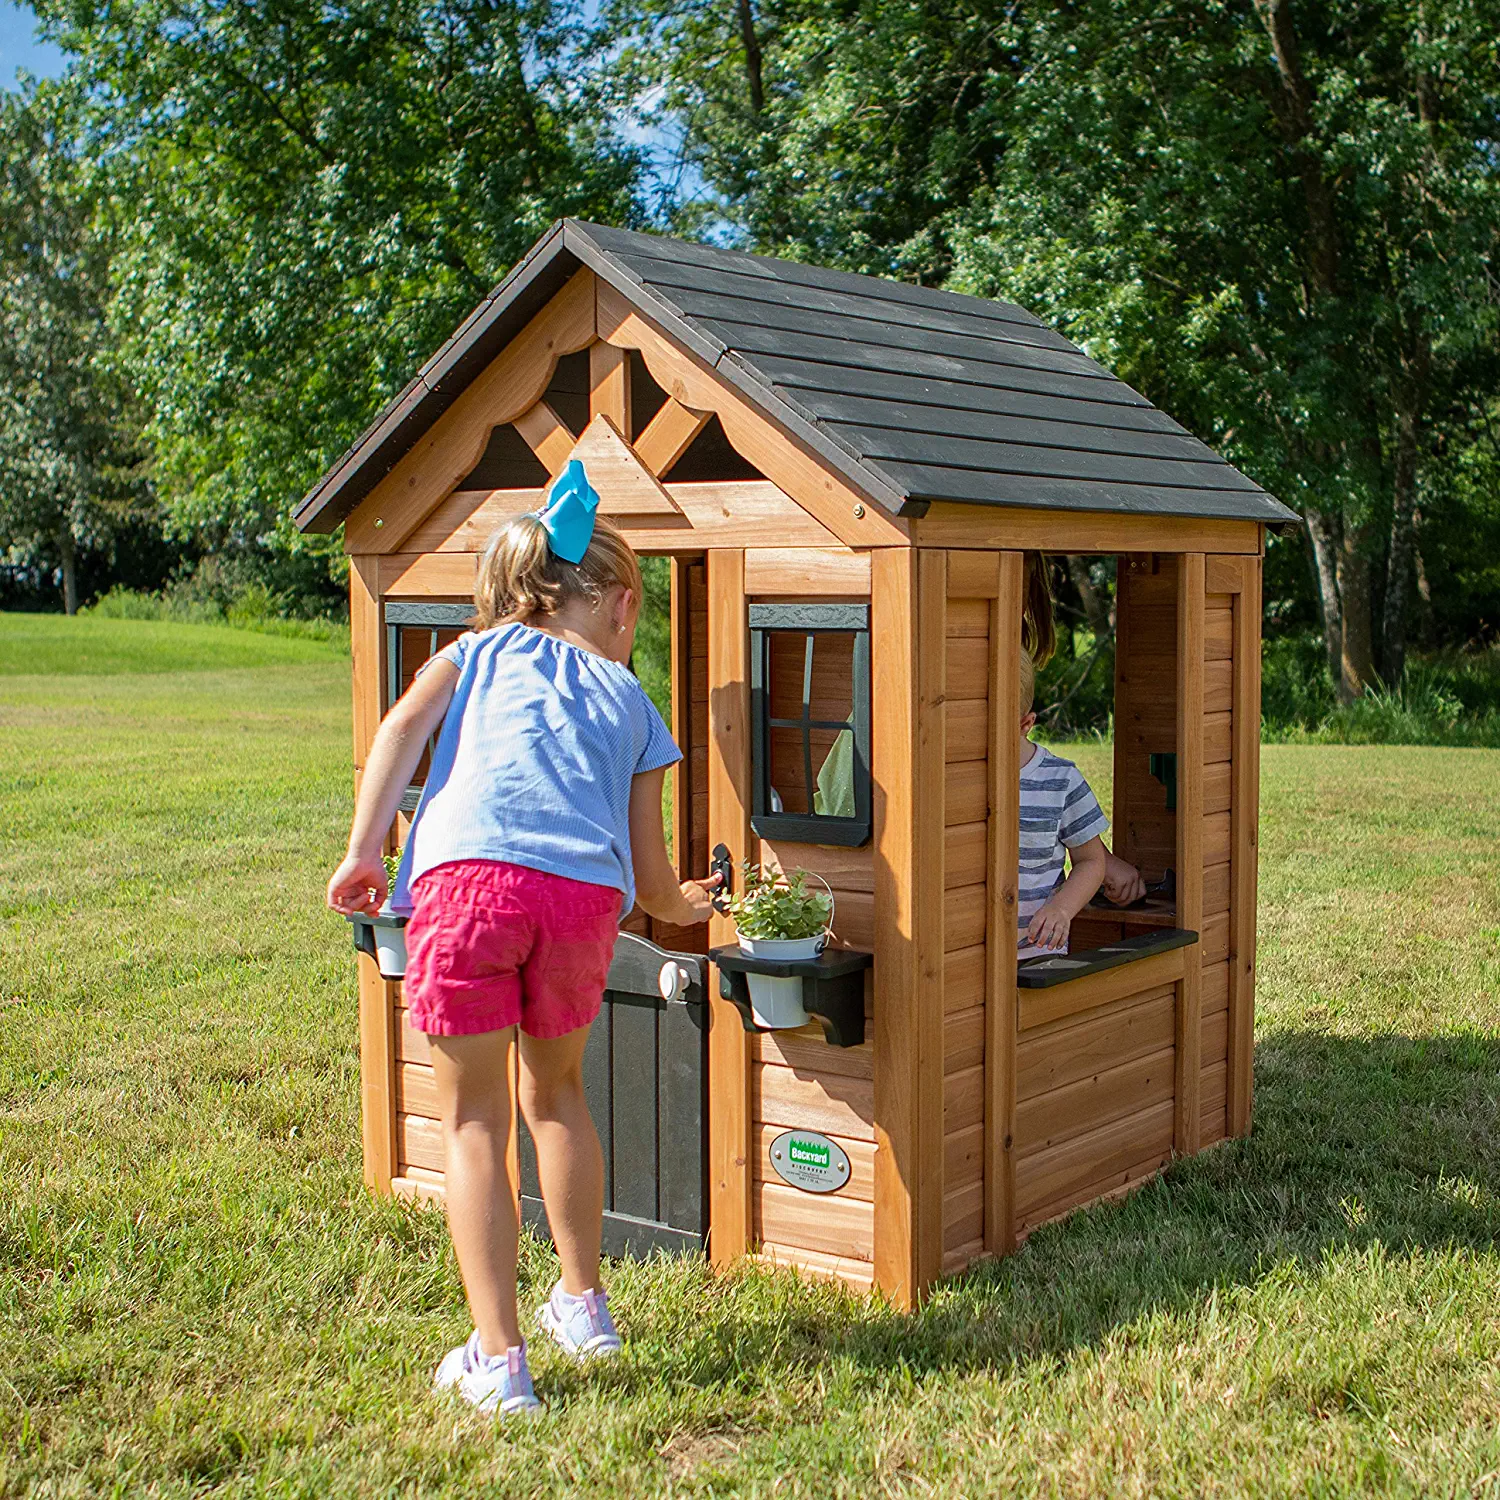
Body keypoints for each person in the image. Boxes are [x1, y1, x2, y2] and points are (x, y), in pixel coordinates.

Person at [326, 461, 718, 1418]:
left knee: (472, 1122)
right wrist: (699, 905)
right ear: (624, 606)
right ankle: (584, 1308)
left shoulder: (476, 653)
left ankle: (499, 1362)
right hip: (583, 909)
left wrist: (364, 850)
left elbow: (399, 733)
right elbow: (651, 872)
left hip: (470, 889)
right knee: (557, 1095)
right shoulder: (633, 705)